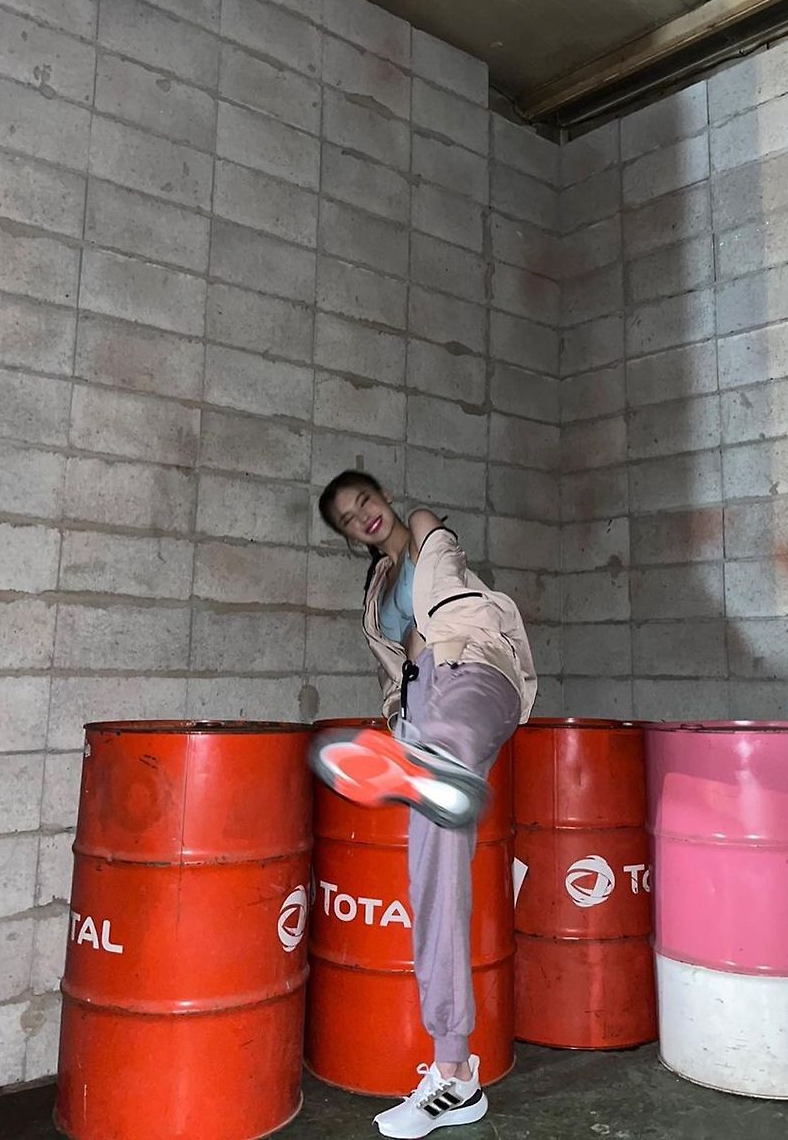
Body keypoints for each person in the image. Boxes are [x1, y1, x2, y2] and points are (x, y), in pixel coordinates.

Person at [310, 471, 536, 1139]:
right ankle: (454, 1072)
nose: (363, 517)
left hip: (471, 667)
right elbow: (393, 671)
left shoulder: (424, 532)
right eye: (348, 518)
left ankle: (435, 766)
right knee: (432, 878)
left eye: (365, 501)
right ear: (348, 536)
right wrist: (398, 719)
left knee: (452, 737)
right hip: (420, 712)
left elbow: (442, 562)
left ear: (383, 497)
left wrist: (421, 649)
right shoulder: (375, 597)